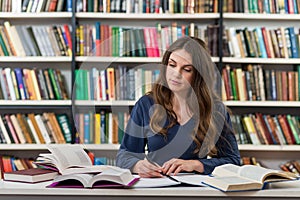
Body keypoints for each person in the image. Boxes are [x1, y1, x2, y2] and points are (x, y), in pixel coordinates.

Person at [116, 36, 240, 178]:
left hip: (197, 190)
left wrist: (196, 165)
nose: (176, 74)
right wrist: (137, 165)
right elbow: (124, 155)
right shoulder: (146, 104)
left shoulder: (215, 110)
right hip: (154, 186)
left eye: (186, 69)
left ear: (198, 75)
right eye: (172, 65)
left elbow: (233, 161)